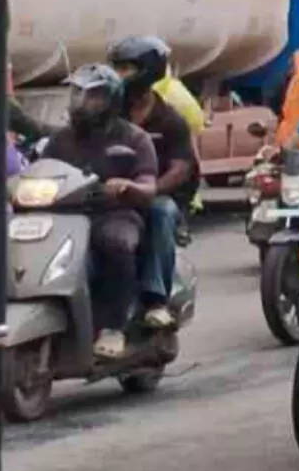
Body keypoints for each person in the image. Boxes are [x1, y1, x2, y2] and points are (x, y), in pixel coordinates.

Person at [42, 63, 159, 360]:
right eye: (77, 94)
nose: (81, 103)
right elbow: (39, 170)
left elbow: (149, 186)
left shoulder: (133, 139)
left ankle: (114, 326)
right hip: (66, 215)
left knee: (115, 243)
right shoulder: (60, 141)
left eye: (92, 96)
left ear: (111, 100)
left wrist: (127, 186)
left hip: (114, 214)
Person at [109, 36, 198, 331]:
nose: (120, 76)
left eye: (127, 69)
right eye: (117, 68)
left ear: (148, 70)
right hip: (110, 194)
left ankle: (155, 299)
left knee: (161, 211)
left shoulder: (170, 120)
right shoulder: (107, 116)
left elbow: (182, 168)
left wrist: (150, 190)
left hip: (157, 195)